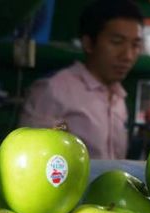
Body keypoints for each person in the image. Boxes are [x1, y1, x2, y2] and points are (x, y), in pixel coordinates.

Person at [19, 0, 143, 159]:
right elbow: (31, 155)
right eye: (117, 42)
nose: (128, 56)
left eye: (135, 45)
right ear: (88, 44)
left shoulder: (118, 96)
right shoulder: (54, 89)